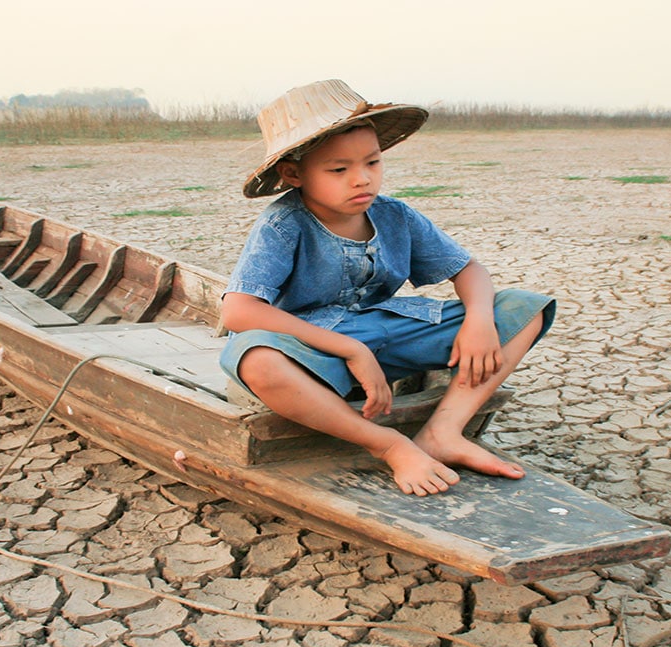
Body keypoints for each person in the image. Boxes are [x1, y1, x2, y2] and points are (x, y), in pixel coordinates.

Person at [220, 80, 555, 496]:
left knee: (524, 308)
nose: (361, 180)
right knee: (255, 359)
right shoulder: (283, 224)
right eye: (339, 170)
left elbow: (470, 270)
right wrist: (351, 349)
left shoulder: (396, 215)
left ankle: (444, 431)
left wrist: (480, 322)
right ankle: (390, 445)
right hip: (312, 351)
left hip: (388, 332)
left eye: (372, 163)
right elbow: (237, 311)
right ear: (293, 174)